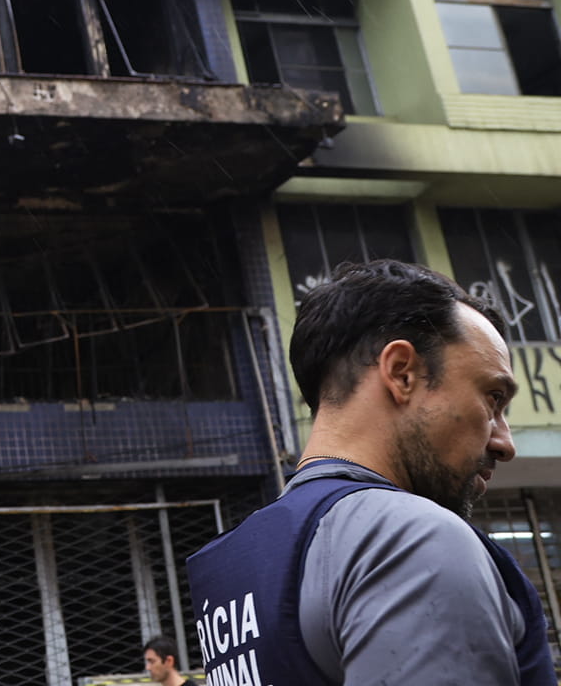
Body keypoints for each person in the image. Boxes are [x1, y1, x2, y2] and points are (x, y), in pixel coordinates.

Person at [187, 259, 552, 686]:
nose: (504, 443)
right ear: (402, 373)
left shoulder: (239, 562)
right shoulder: (411, 539)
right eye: (492, 399)